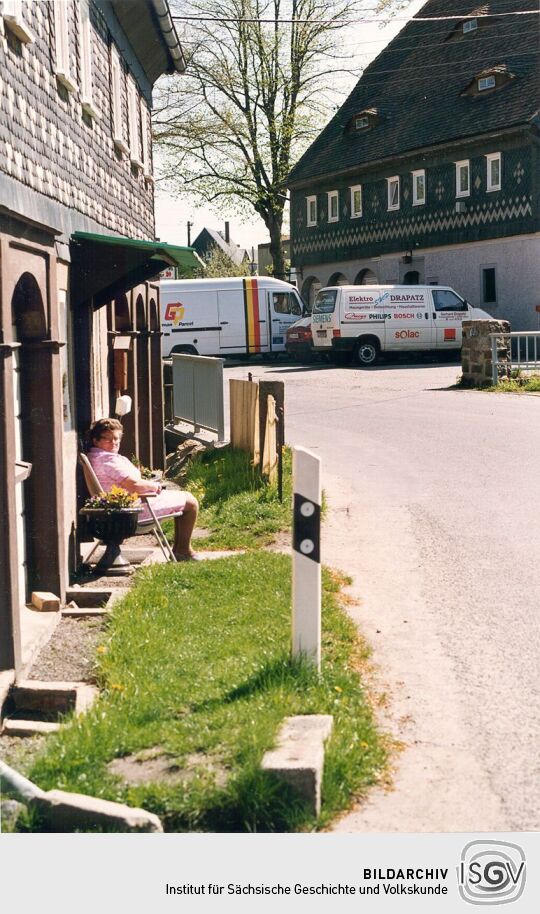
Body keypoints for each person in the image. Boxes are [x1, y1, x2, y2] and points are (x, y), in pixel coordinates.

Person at [87, 417, 200, 561]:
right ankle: (183, 551)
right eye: (107, 439)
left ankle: (180, 550)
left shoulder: (96, 456)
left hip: (121, 507)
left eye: (116, 438)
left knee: (184, 496)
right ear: (96, 440)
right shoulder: (108, 461)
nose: (113, 442)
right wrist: (156, 487)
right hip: (133, 510)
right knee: (190, 502)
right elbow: (134, 486)